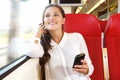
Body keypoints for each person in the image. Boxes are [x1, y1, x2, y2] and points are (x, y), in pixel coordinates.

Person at [16, 4, 94, 80]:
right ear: (43, 22)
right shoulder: (42, 43)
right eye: (47, 16)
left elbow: (90, 65)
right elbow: (32, 51)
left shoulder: (77, 37)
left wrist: (87, 70)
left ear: (63, 20)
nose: (51, 18)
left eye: (56, 15)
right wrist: (39, 32)